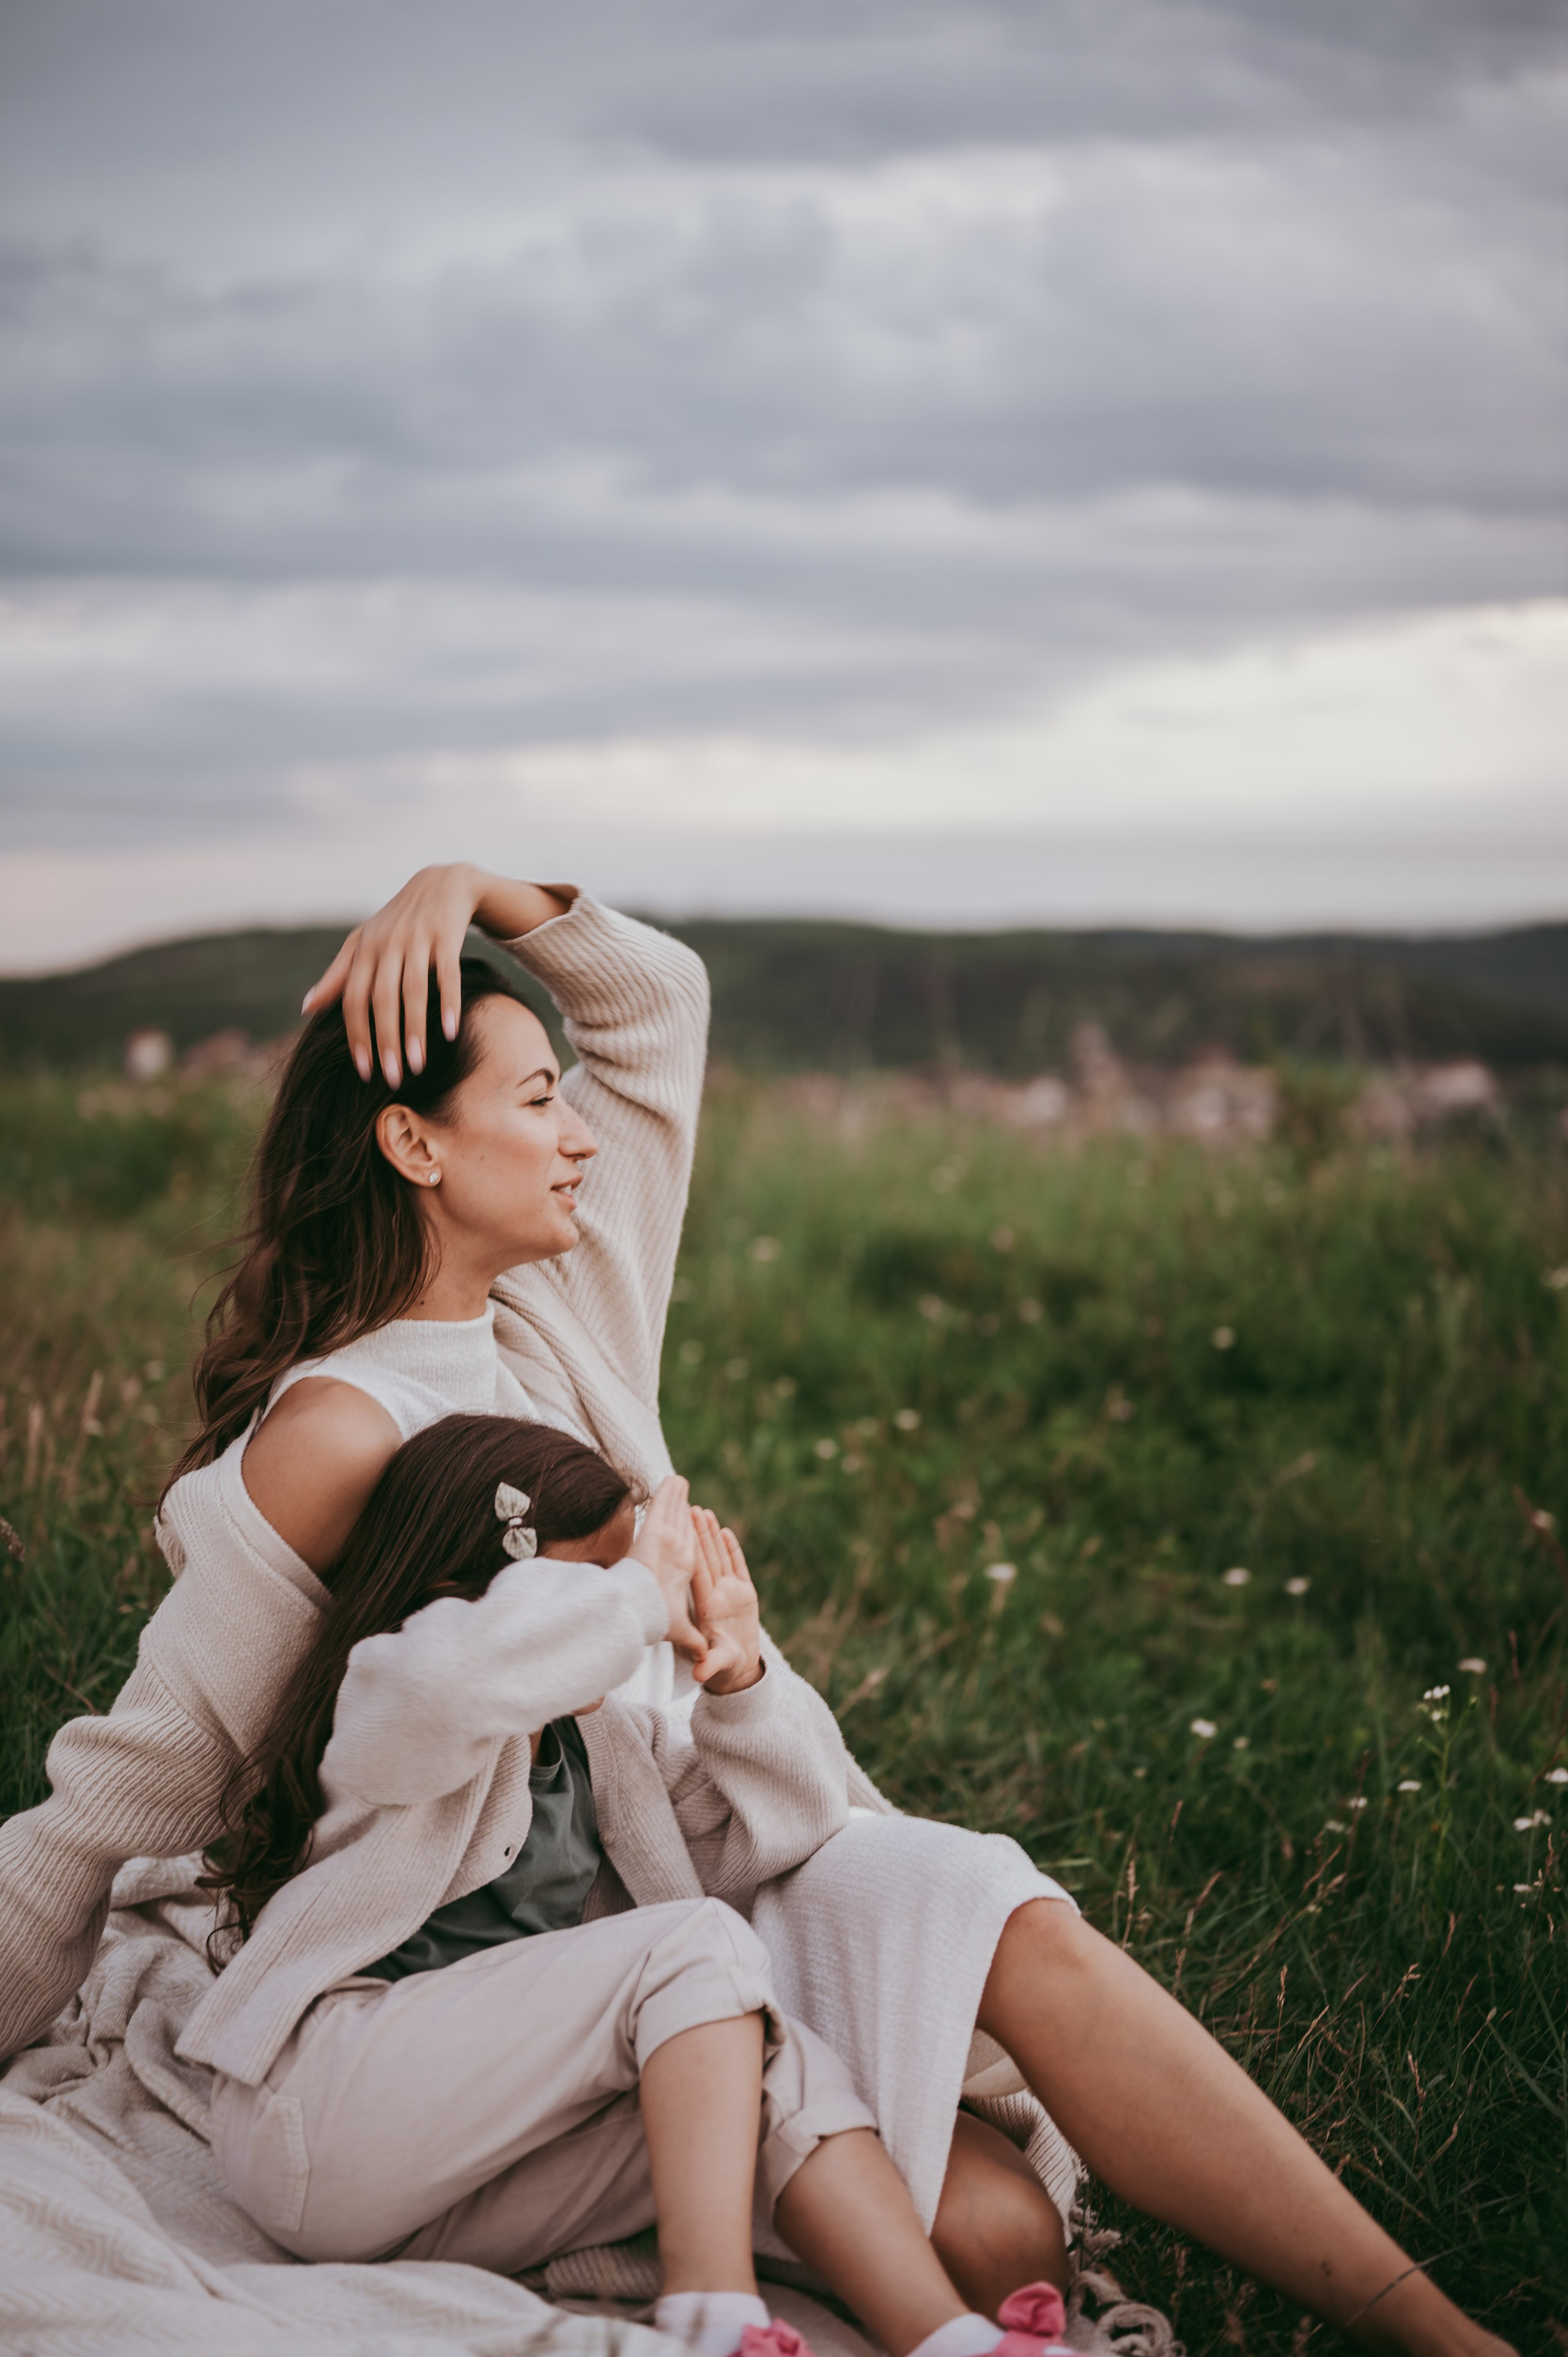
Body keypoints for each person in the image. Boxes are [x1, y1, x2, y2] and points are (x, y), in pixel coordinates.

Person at [0, 865, 1512, 2357]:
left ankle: (1448, 2340)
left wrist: (466, 889)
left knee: (996, 1904)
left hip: (721, 1854)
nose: (578, 1132)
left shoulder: (566, 1299)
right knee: (994, 2239)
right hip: (533, 1966)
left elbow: (656, 1002)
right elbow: (137, 1778)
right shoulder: (331, 1434)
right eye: (534, 1100)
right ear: (413, 1139)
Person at [189, 1408, 1076, 2357]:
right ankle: (709, 2319)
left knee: (769, 2058)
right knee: (691, 1941)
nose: (630, 1624)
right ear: (459, 1593)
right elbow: (449, 1684)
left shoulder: (605, 1745)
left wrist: (744, 1680)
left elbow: (791, 1821)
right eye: (598, 1588)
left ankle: (948, 2340)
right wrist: (637, 1597)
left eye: (635, 1590)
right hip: (325, 2121)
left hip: (458, 2184)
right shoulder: (389, 1708)